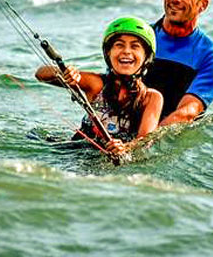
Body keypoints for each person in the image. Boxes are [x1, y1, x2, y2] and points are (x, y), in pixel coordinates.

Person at [35, 16, 164, 157]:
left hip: (116, 157)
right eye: (119, 45)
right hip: (79, 151)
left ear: (146, 57)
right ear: (108, 53)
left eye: (135, 46)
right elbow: (41, 74)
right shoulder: (95, 84)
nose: (127, 51)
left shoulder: (152, 98)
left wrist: (125, 148)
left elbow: (145, 140)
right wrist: (68, 73)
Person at [144, 0, 213, 127]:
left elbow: (187, 113)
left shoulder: (212, 58)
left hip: (152, 142)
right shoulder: (138, 39)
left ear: (203, 5)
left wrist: (139, 144)